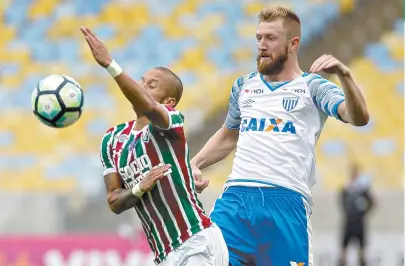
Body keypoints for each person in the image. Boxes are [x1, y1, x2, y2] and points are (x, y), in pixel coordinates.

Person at [190, 6, 369, 266]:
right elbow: (228, 136)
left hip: (286, 203)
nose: (262, 45)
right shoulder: (244, 86)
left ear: (293, 43)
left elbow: (359, 117)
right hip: (237, 200)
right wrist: (193, 164)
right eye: (259, 38)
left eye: (270, 38)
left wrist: (346, 77)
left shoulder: (313, 87)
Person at [80, 27, 228, 266]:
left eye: (151, 85)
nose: (141, 86)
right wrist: (139, 187)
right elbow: (114, 201)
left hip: (195, 241)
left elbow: (149, 108)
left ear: (168, 101)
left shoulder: (172, 122)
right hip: (164, 255)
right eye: (141, 82)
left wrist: (110, 64)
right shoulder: (113, 140)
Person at [338, 163, 375, 266]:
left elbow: (372, 202)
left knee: (362, 250)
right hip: (349, 222)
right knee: (343, 249)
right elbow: (341, 201)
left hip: (359, 222)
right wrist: (348, 211)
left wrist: (363, 212)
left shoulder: (363, 189)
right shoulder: (346, 188)